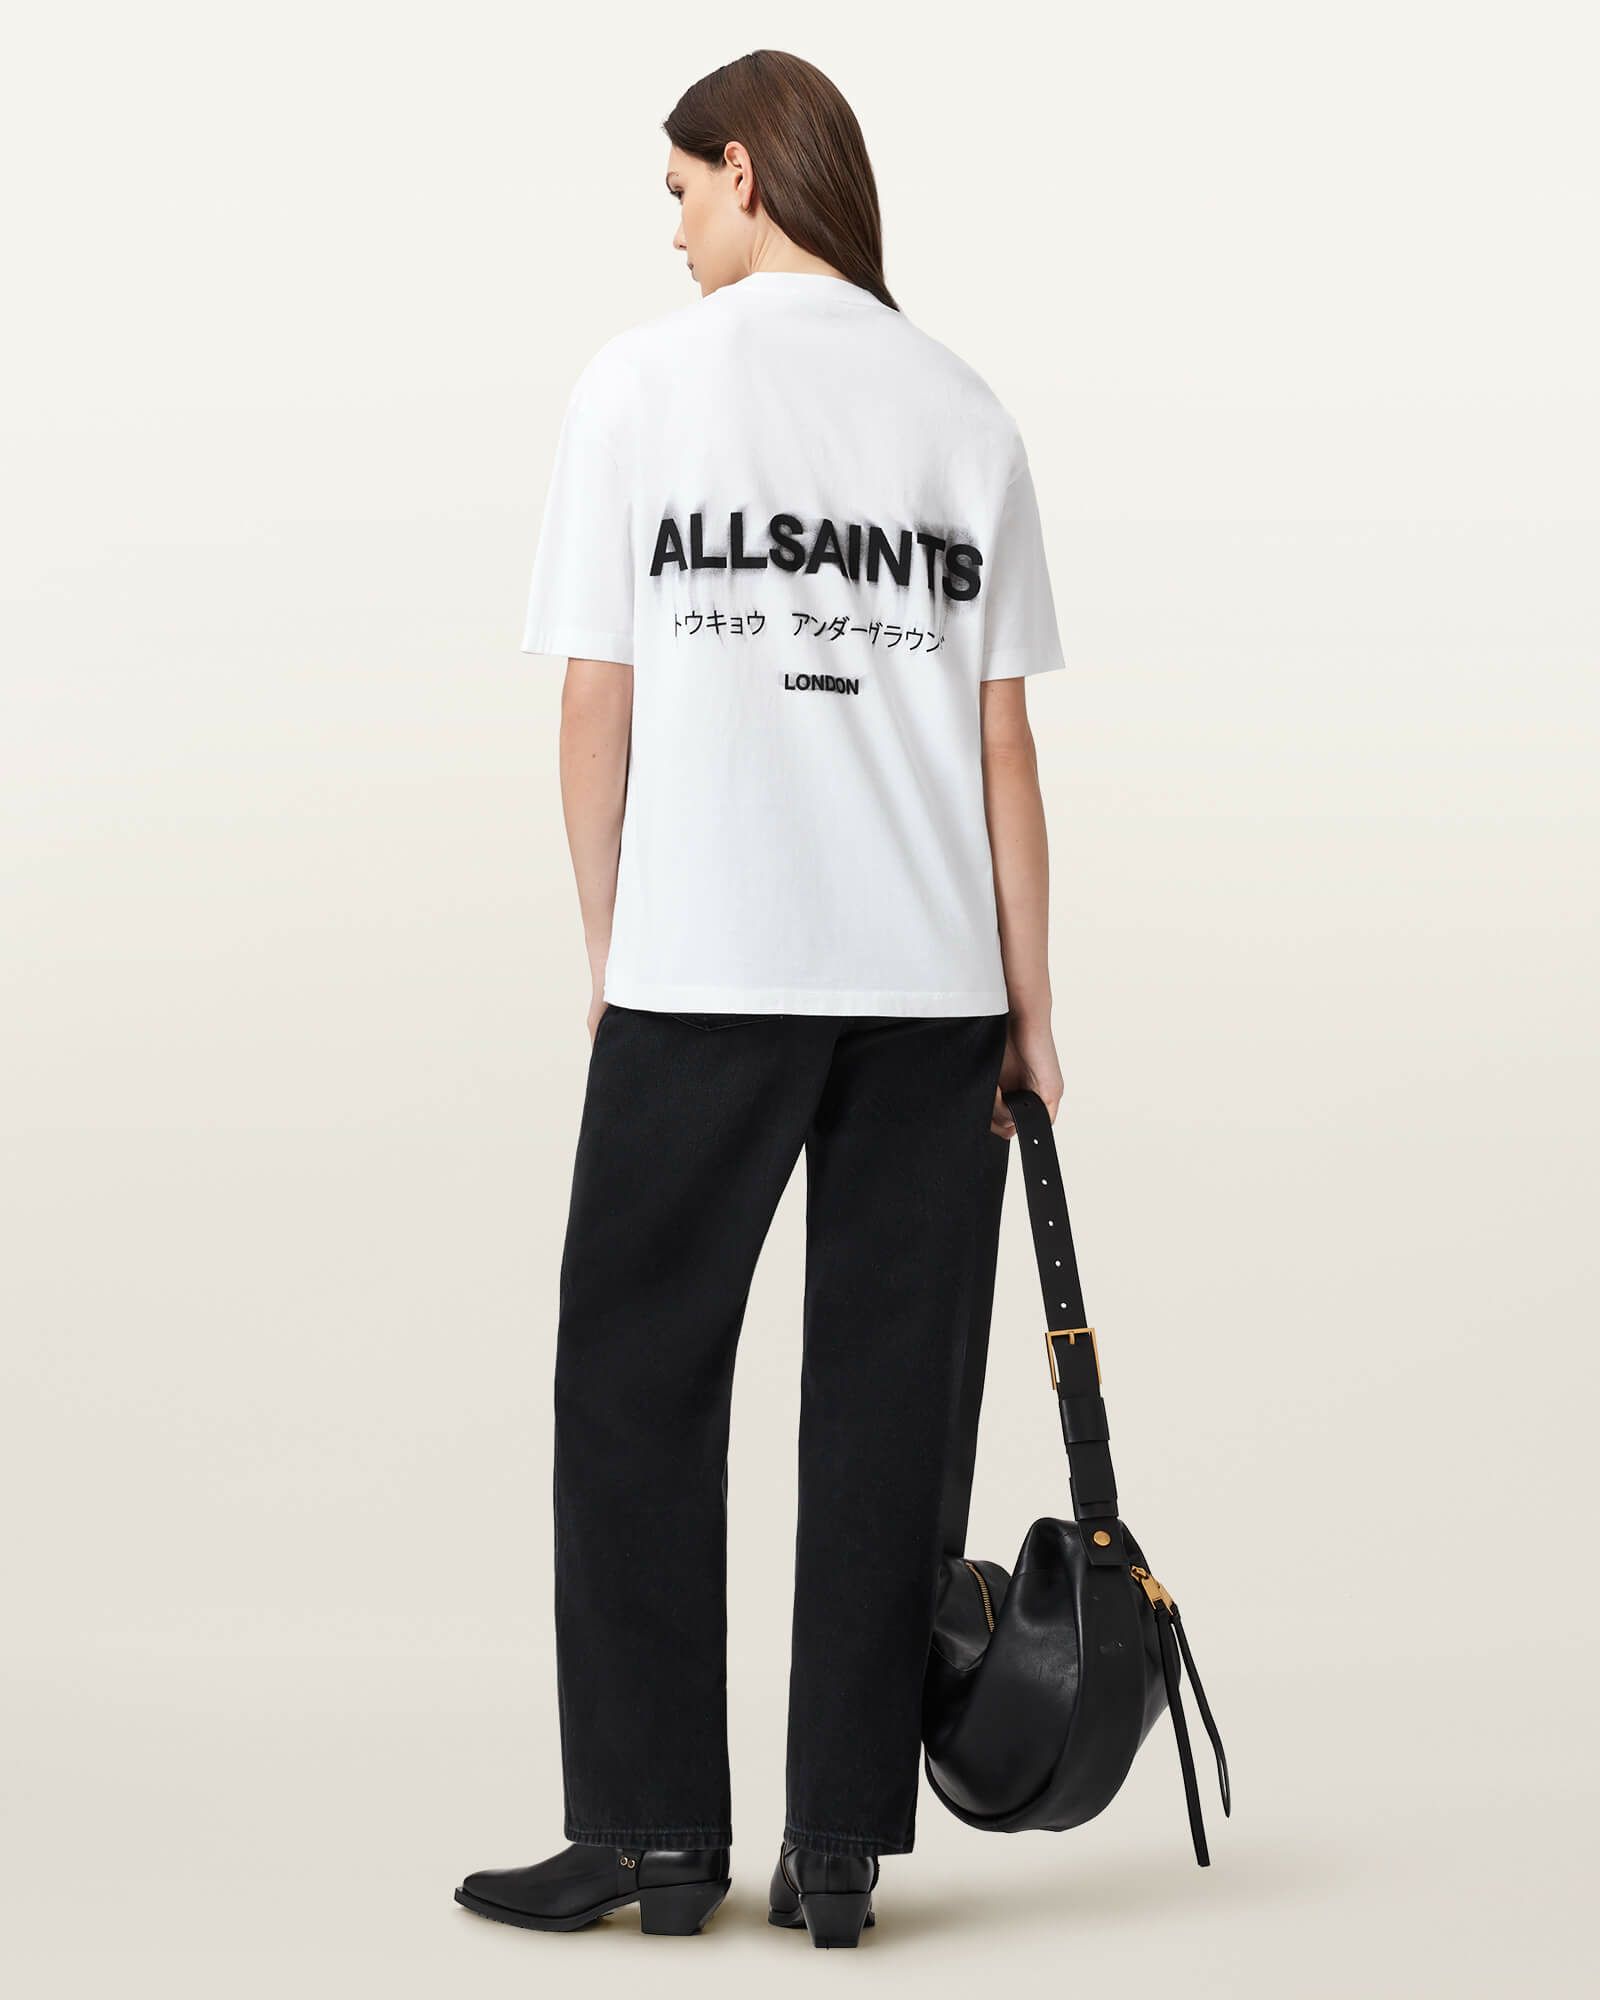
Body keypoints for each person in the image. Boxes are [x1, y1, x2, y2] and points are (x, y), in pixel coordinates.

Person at [454, 48, 1065, 1949]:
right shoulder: (963, 409)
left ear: (745, 169)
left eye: (678, 192)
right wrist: (1032, 1012)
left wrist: (608, 944)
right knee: (890, 1407)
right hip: (930, 982)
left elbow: (594, 702)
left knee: (634, 1378)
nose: (672, 230)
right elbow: (1003, 749)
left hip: (704, 965)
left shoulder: (638, 388)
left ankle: (650, 1838)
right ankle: (838, 1853)